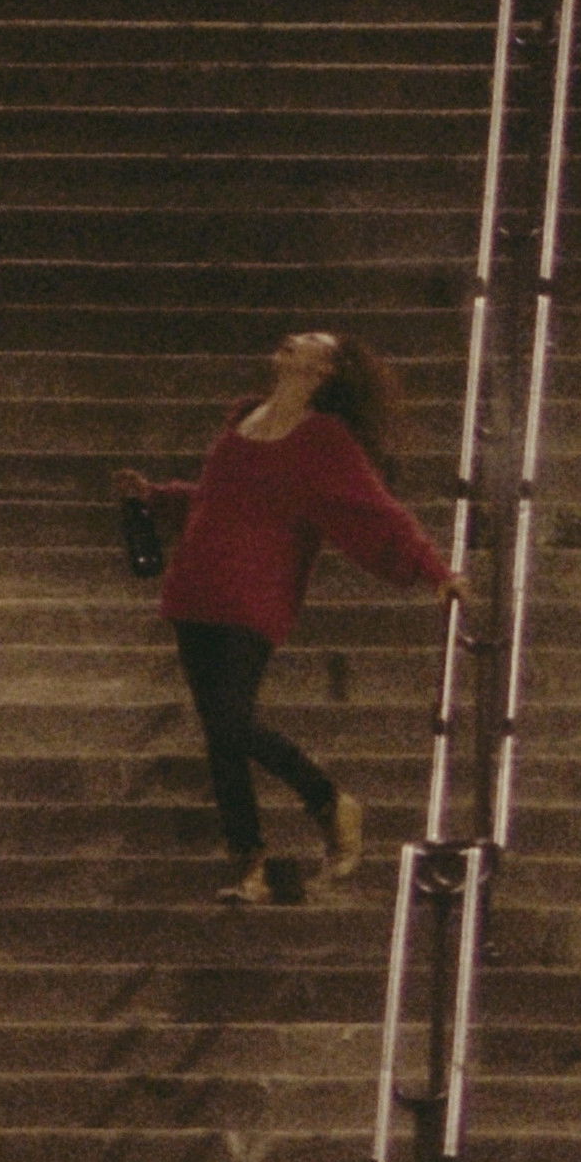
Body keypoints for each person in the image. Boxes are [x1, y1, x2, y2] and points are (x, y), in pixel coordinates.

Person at [118, 329, 461, 904]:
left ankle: (326, 799)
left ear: (325, 369)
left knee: (231, 722)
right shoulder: (243, 417)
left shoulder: (324, 439)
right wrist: (155, 497)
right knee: (221, 735)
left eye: (308, 341)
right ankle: (250, 864)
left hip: (253, 596)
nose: (292, 340)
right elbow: (216, 499)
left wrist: (437, 571)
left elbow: (375, 511)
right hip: (195, 589)